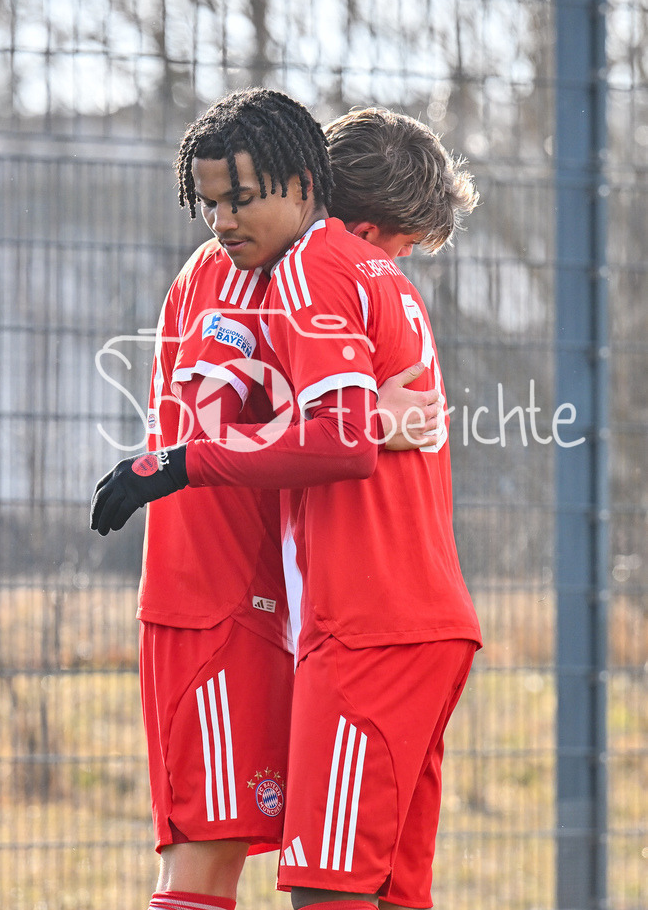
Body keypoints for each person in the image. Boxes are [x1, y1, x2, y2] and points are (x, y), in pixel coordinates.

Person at [91, 88, 481, 910]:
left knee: (326, 880)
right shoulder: (252, 270)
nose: (391, 267)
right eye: (397, 246)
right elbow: (212, 424)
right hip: (221, 602)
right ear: (352, 224)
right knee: (222, 868)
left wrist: (356, 420)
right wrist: (366, 419)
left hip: (315, 614)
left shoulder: (313, 271)